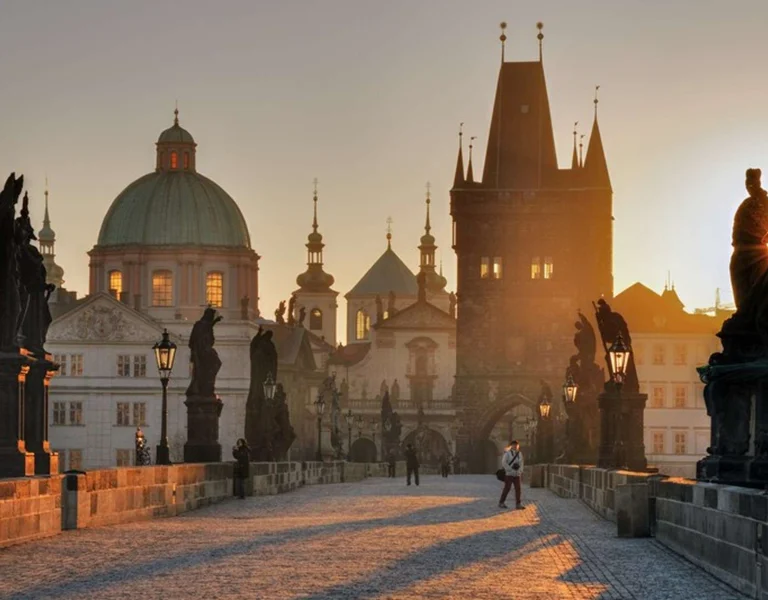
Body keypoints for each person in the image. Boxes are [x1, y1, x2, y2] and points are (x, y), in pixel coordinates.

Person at [499, 440, 525, 510]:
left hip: (517, 474)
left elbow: (522, 463)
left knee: (518, 489)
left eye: (516, 445)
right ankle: (501, 502)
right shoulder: (507, 453)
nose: (515, 446)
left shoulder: (520, 454)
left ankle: (518, 504)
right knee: (507, 488)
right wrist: (510, 469)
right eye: (514, 445)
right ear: (511, 446)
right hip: (509, 474)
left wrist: (520, 471)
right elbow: (504, 462)